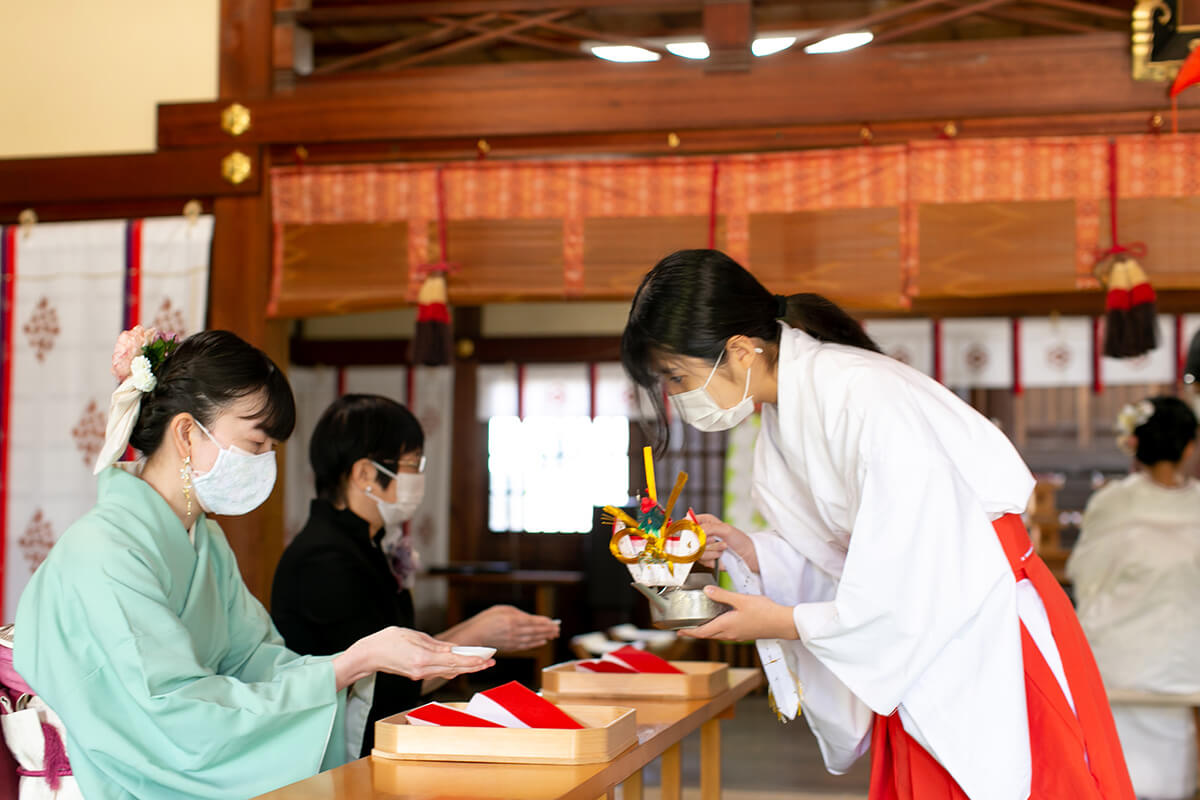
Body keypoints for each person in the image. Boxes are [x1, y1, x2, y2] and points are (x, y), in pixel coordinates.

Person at [619, 250, 1134, 800]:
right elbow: (859, 553)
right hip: (921, 637)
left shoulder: (862, 395)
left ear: (741, 351)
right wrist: (754, 552)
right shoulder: (792, 407)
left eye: (677, 376)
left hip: (978, 621)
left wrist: (785, 621)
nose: (675, 396)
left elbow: (919, 568)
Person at [14, 328, 492, 800]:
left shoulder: (206, 542)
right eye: (256, 444)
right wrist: (348, 665)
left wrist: (355, 662)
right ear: (186, 432)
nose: (266, 462)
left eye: (272, 449)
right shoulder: (104, 553)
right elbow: (174, 717)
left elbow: (253, 660)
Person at [271, 394, 560, 758]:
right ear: (364, 474)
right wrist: (478, 635)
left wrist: (479, 631)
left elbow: (399, 656)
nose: (418, 478)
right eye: (411, 464)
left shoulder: (365, 544)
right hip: (331, 751)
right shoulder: (325, 558)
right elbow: (388, 683)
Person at [1067, 396, 1200, 800]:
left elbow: (1086, 577)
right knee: (1172, 777)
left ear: (1135, 443)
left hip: (1117, 660)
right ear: (1189, 446)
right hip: (1183, 660)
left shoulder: (1112, 503)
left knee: (1112, 773)